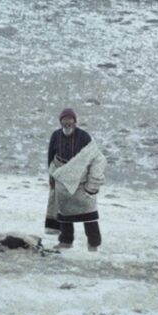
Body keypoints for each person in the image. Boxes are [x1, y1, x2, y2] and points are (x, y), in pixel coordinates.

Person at [45, 107, 106, 251]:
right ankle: (66, 242)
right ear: (60, 122)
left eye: (70, 120)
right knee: (64, 214)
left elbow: (95, 158)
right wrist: (51, 177)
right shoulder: (56, 135)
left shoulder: (84, 136)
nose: (67, 123)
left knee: (89, 216)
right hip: (62, 181)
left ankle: (94, 244)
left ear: (75, 121)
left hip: (81, 182)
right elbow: (50, 156)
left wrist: (92, 184)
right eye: (64, 120)